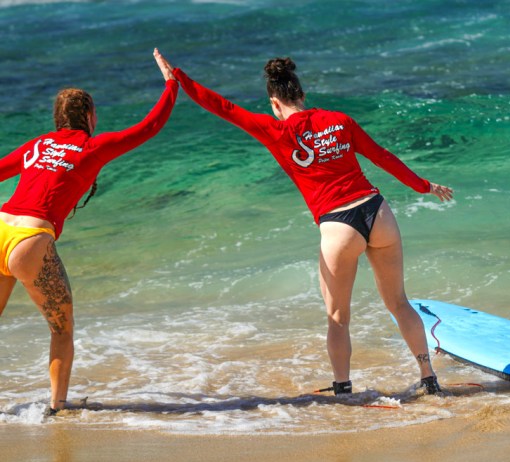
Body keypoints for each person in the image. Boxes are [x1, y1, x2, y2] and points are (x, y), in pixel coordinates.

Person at [155, 50, 453, 396]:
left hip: (339, 225)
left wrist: (176, 76)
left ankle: (343, 388)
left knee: (338, 317)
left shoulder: (275, 130)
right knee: (399, 303)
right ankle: (428, 377)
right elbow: (382, 156)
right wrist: (424, 186)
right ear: (302, 95)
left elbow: (222, 107)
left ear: (275, 103)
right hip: (377, 211)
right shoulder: (340, 120)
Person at [0, 50, 179, 413]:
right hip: (30, 240)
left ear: (57, 119)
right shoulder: (92, 146)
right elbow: (149, 127)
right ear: (90, 117)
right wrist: (172, 84)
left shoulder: (37, 145)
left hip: (2, 226)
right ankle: (57, 406)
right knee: (61, 330)